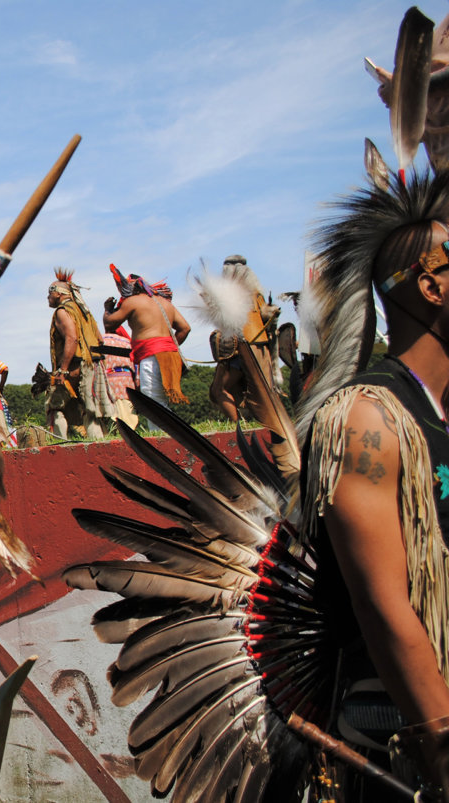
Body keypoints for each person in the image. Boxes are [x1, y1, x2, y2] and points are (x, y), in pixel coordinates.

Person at [297, 168, 449, 798]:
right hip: (403, 732)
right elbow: (385, 607)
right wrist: (441, 746)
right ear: (432, 283)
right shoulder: (366, 419)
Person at [204, 255, 282, 421]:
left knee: (219, 390)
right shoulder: (257, 295)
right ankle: (248, 421)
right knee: (246, 389)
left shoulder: (229, 295)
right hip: (259, 348)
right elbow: (268, 319)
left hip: (238, 349)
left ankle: (237, 425)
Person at [103, 266, 191, 409]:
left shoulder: (132, 301)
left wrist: (107, 309)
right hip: (170, 356)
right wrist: (169, 347)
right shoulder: (163, 302)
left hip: (152, 355)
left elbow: (110, 323)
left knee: (152, 398)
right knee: (159, 398)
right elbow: (185, 328)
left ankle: (162, 431)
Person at [46, 269, 117, 440]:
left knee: (54, 407)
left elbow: (72, 338)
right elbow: (99, 340)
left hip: (73, 366)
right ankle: (98, 444)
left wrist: (63, 370)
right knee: (90, 408)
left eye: (49, 293)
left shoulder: (63, 312)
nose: (47, 297)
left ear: (58, 294)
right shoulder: (85, 312)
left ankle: (59, 445)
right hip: (92, 364)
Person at [100, 320, 139, 430]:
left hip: (106, 381)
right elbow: (136, 365)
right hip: (126, 382)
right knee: (128, 417)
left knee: (109, 416)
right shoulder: (128, 343)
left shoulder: (100, 341)